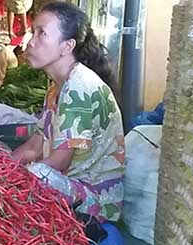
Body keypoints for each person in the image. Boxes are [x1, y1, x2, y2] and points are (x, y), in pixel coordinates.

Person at [11, 1, 124, 223]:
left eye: (41, 33)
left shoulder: (78, 87)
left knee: (34, 175)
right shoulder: (56, 88)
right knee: (7, 162)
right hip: (70, 184)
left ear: (67, 46)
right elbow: (35, 145)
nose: (31, 42)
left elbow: (59, 162)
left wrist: (11, 178)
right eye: (33, 32)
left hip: (97, 202)